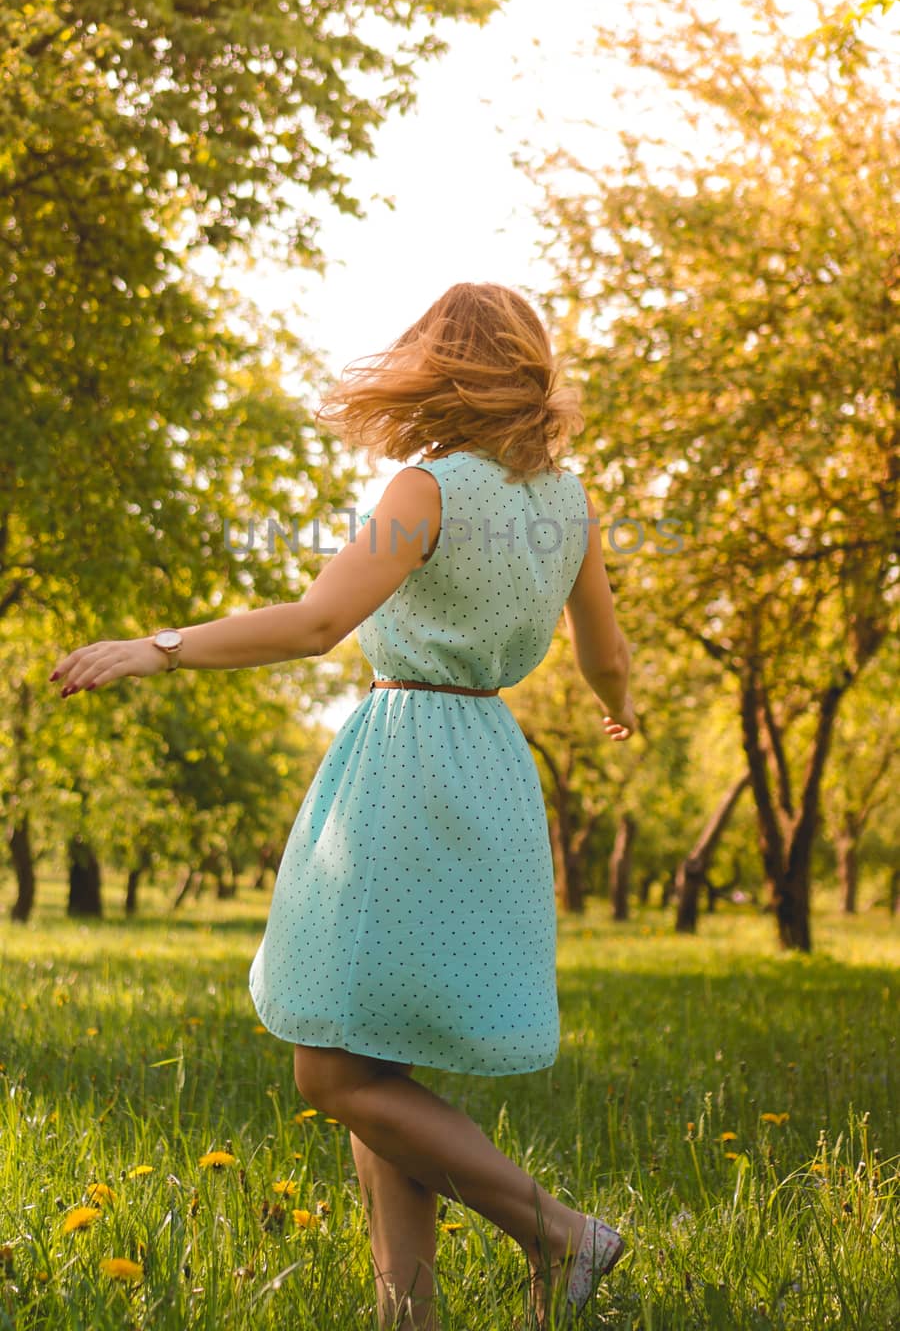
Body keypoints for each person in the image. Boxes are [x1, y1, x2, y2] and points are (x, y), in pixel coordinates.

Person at [50, 281, 638, 1330]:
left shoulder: (428, 489)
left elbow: (318, 623)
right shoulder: (569, 499)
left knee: (329, 1068)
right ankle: (403, 1313)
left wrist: (162, 647)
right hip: (495, 764)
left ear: (437, 366)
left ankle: (562, 1232)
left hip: (408, 756)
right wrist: (620, 706)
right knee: (375, 1055)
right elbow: (605, 650)